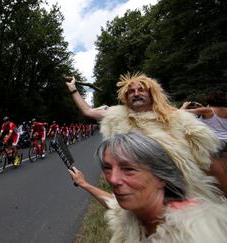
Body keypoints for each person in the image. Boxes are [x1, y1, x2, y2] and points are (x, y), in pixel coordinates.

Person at [65, 73, 223, 201]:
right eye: (131, 92)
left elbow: (207, 159)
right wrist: (73, 89)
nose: (136, 94)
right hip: (141, 190)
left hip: (180, 189)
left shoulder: (175, 117)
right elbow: (88, 112)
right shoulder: (117, 115)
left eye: (141, 90)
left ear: (152, 94)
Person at [69, 132, 227, 242]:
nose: (113, 179)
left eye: (129, 169)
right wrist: (84, 184)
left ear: (161, 177)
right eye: (108, 168)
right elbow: (113, 204)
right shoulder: (136, 215)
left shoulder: (200, 231)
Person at [181, 90, 227, 195]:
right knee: (224, 169)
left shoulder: (208, 110)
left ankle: (219, 193)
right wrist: (201, 107)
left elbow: (181, 113)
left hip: (214, 143)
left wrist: (185, 105)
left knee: (214, 172)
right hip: (226, 143)